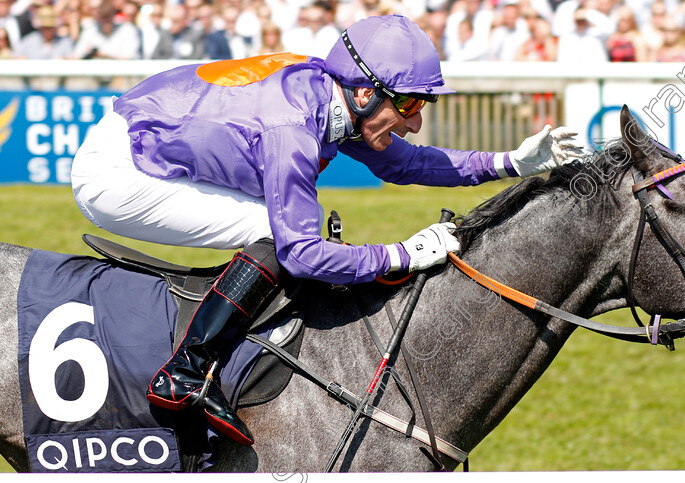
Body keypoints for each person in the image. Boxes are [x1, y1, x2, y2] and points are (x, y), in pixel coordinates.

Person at [70, 14, 584, 446]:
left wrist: (511, 161)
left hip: (153, 130)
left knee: (285, 226)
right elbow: (299, 253)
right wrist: (399, 255)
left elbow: (406, 163)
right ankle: (185, 372)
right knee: (274, 230)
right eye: (407, 105)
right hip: (119, 171)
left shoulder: (332, 93)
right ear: (364, 92)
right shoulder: (294, 126)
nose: (414, 122)